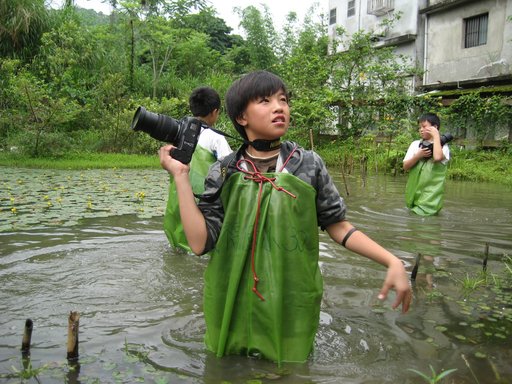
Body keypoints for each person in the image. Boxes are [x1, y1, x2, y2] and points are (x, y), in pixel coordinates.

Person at [159, 70, 412, 364]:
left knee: (290, 368)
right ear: (242, 117)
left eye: (283, 100)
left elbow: (338, 226)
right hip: (230, 297)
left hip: (290, 298)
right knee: (226, 367)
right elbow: (201, 243)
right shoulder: (225, 170)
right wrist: (180, 176)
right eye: (265, 101)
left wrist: (392, 261)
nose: (279, 107)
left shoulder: (308, 165)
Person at [163, 86, 232, 251]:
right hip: (202, 204)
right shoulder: (216, 138)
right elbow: (230, 168)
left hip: (178, 200)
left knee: (177, 249)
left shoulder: (178, 134)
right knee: (200, 250)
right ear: (215, 112)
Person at [403, 113, 451, 216]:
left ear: (435, 127)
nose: (421, 129)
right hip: (412, 194)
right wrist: (418, 156)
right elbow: (405, 167)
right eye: (419, 127)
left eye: (424, 126)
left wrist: (436, 137)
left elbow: (437, 157)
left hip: (430, 199)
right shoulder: (415, 144)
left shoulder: (444, 147)